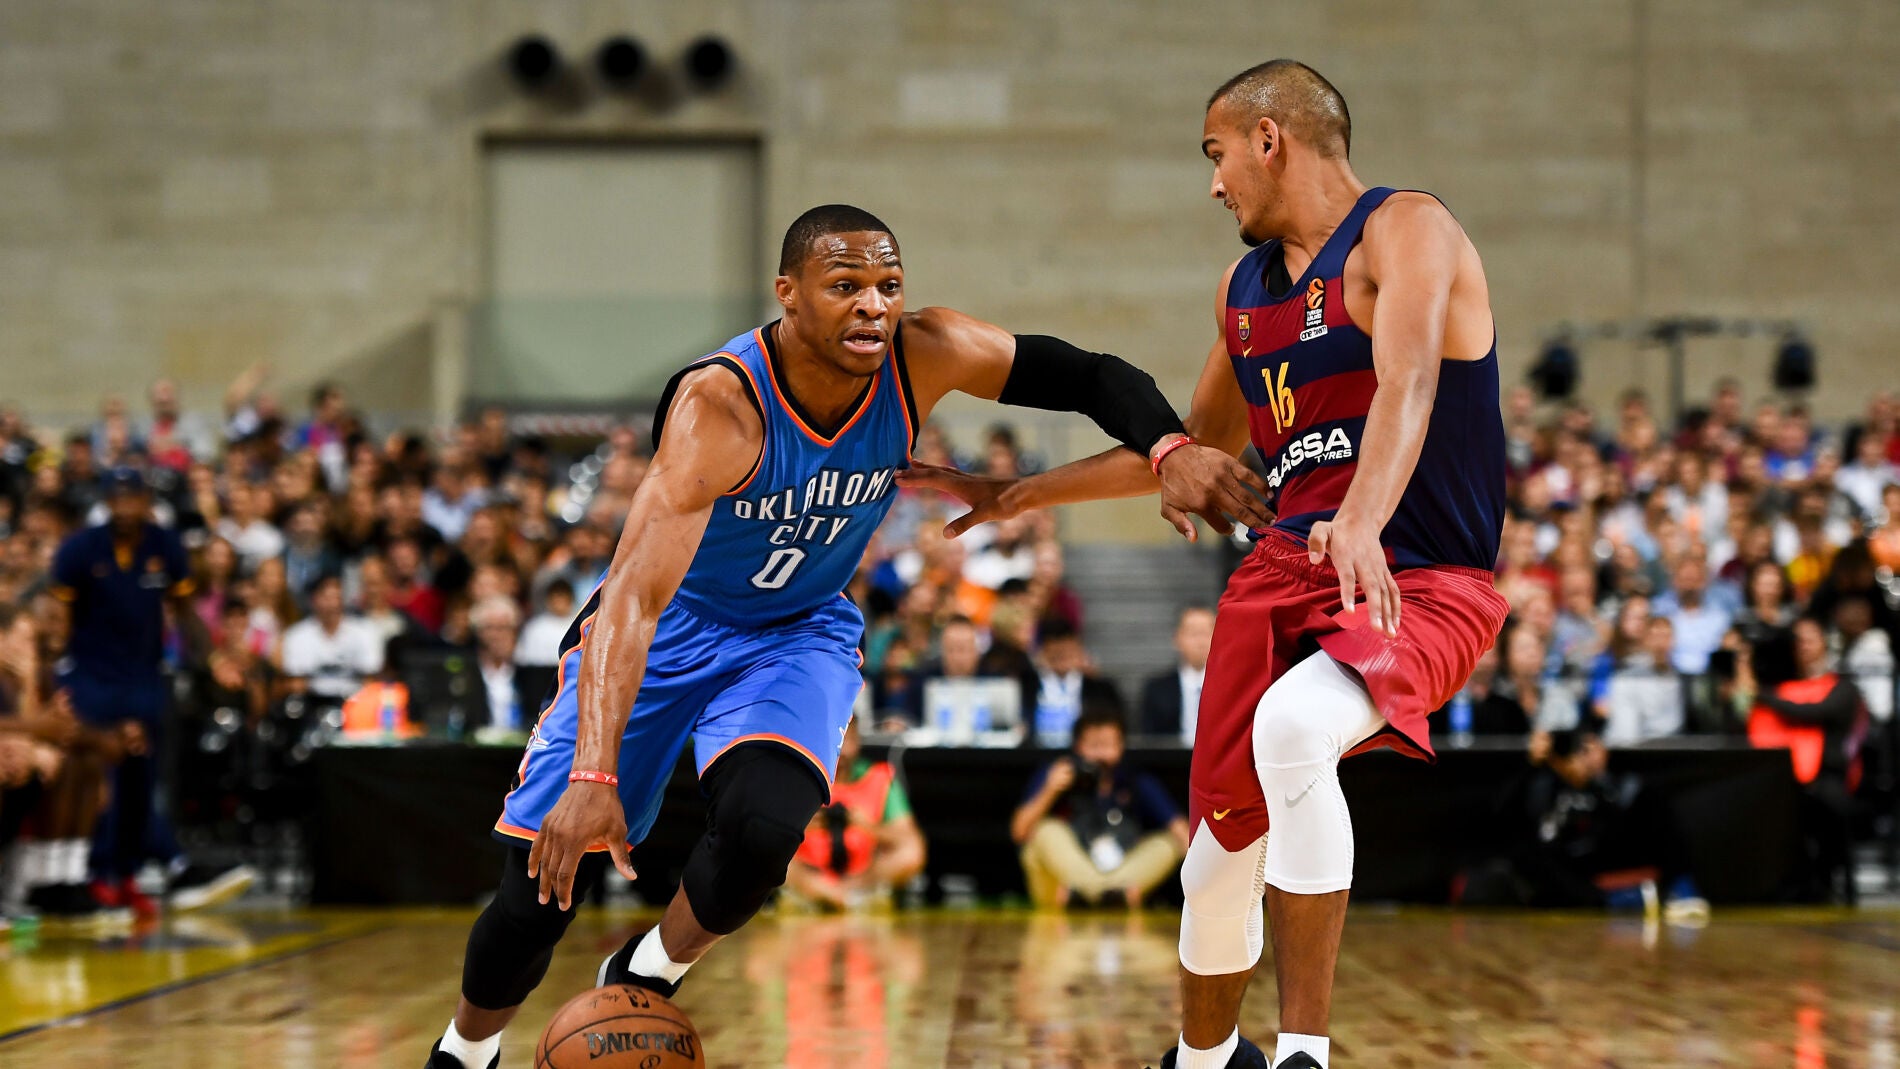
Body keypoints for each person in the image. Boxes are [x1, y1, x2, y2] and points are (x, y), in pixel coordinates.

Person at [424, 203, 1256, 1069]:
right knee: (535, 895)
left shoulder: (926, 353)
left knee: (761, 832)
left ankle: (647, 968)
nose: (874, 305)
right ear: (788, 294)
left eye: (888, 285)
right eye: (846, 285)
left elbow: (1088, 374)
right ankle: (463, 1052)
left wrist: (1166, 449)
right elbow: (631, 599)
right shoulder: (721, 406)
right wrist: (595, 774)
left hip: (796, 630)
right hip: (667, 628)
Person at [902, 60, 1510, 1069]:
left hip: (1416, 575)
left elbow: (1408, 377)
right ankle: (1200, 1059)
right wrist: (1014, 495)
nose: (1214, 182)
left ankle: (1304, 1050)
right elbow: (1188, 450)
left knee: (1294, 725)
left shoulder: (1407, 230)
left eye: (1216, 154)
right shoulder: (1244, 294)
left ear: (1270, 138)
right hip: (1281, 572)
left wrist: (1361, 517)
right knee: (1218, 853)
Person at [49, 467, 254, 915]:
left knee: (144, 777)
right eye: (116, 498)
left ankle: (128, 874)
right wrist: (53, 680)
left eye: (132, 498)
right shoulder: (80, 550)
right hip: (94, 676)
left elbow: (185, 613)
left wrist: (214, 658)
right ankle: (101, 872)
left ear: (146, 501)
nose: (124, 507)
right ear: (106, 502)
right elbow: (58, 622)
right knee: (107, 775)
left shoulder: (164, 546)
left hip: (143, 676)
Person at [1013, 706, 1192, 910]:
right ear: (1078, 746)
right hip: (1064, 887)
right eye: (1094, 745)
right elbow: (1019, 832)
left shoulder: (1135, 780)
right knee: (1045, 831)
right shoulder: (1057, 774)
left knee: (1167, 843)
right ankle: (1104, 893)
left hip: (1118, 871)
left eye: (1108, 745)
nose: (1101, 755)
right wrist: (1050, 789)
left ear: (1121, 746)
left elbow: (1181, 832)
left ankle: (1092, 894)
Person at [784, 716, 926, 910]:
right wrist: (800, 826)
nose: (840, 750)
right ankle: (820, 894)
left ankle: (846, 895)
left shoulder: (879, 777)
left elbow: (908, 839)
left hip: (861, 875)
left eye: (846, 741)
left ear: (857, 742)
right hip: (809, 872)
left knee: (911, 851)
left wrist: (867, 826)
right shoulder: (797, 778)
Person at [278, 573, 385, 703]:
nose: (332, 604)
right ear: (314, 600)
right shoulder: (297, 635)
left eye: (336, 597)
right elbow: (296, 684)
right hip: (312, 703)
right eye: (326, 597)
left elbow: (370, 680)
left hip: (355, 703)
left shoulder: (364, 631)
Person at [1141, 606, 1216, 744]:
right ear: (1176, 638)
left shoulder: (1231, 688)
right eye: (1193, 633)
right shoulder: (1157, 690)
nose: (1200, 641)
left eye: (1207, 632)